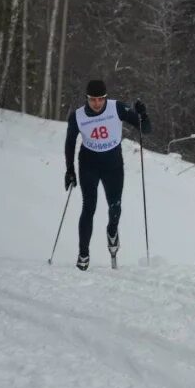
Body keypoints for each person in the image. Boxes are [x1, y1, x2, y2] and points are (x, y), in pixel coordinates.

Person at [64, 79, 151, 270]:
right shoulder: (77, 116)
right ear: (87, 98)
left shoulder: (117, 108)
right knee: (89, 208)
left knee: (115, 208)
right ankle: (83, 254)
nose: (97, 104)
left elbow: (146, 130)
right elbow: (70, 143)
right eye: (92, 100)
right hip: (89, 165)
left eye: (100, 99)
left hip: (113, 166)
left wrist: (143, 115)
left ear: (105, 98)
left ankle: (112, 231)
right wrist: (69, 170)